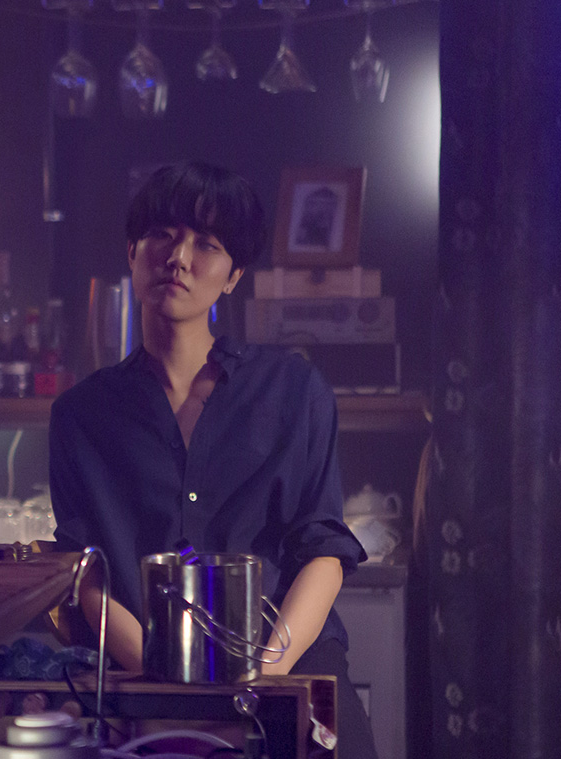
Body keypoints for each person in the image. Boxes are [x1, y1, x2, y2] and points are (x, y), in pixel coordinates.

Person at [49, 161, 376, 757]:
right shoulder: (81, 414)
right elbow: (85, 574)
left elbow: (324, 550)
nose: (178, 258)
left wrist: (260, 676)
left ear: (234, 276)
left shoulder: (292, 390)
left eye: (207, 244)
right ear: (132, 251)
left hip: (290, 658)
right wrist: (165, 679)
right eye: (162, 235)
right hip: (142, 672)